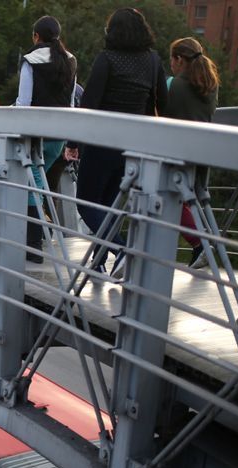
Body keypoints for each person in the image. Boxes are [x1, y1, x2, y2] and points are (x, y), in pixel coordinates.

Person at [69, 7, 167, 275]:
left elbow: (89, 104)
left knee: (87, 202)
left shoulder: (107, 59)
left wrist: (73, 142)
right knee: (109, 206)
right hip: (133, 145)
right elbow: (159, 104)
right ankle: (99, 261)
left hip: (102, 143)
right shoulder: (153, 61)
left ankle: (123, 252)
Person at [15, 15, 77, 263]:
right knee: (38, 184)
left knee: (34, 186)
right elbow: (71, 102)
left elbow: (23, 103)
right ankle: (37, 238)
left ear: (36, 36)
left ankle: (33, 245)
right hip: (59, 135)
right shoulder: (70, 60)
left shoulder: (30, 61)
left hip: (36, 135)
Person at [164, 37, 219, 269]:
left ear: (178, 59)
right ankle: (202, 244)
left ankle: (199, 243)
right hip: (201, 154)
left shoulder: (172, 85)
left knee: (159, 196)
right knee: (186, 199)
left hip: (175, 153)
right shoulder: (210, 86)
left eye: (172, 60)